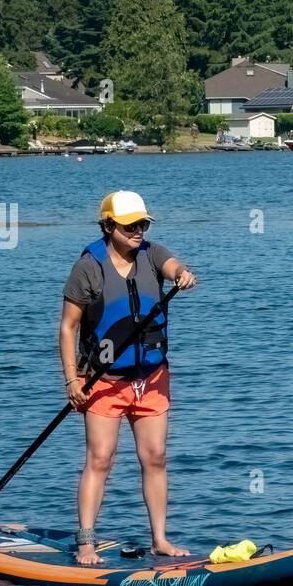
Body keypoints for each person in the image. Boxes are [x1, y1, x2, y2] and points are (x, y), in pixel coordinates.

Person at [59, 191, 196, 565]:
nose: (138, 230)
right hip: (103, 382)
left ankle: (160, 540)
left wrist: (182, 275)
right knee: (100, 459)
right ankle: (86, 542)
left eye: (143, 224)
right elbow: (69, 328)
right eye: (129, 225)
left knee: (155, 457)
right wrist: (72, 380)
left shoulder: (152, 253)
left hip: (151, 378)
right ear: (108, 226)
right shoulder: (88, 267)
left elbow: (173, 266)